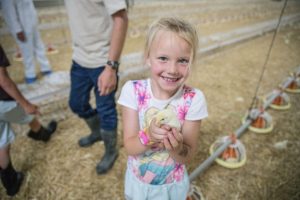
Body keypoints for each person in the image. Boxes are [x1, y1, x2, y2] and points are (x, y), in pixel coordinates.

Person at [118, 17, 208, 200]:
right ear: (148, 58)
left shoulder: (193, 99)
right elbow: (130, 147)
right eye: (163, 58)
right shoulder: (133, 91)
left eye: (182, 60)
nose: (173, 69)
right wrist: (148, 136)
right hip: (138, 185)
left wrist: (176, 148)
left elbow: (187, 156)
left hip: (171, 188)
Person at [64, 0, 128, 174]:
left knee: (105, 109)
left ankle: (111, 150)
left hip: (102, 60)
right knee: (76, 104)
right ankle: (97, 131)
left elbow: (121, 18)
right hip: (79, 58)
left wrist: (111, 67)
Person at [0, 45, 57, 196]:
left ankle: (10, 182)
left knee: (1, 141)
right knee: (27, 114)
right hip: (2, 103)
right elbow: (3, 80)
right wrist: (26, 104)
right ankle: (41, 133)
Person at [1, 0, 53, 84]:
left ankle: (46, 68)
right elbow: (9, 13)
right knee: (27, 52)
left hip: (32, 23)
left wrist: (35, 20)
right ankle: (30, 75)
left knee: (39, 46)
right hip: (22, 27)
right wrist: (17, 30)